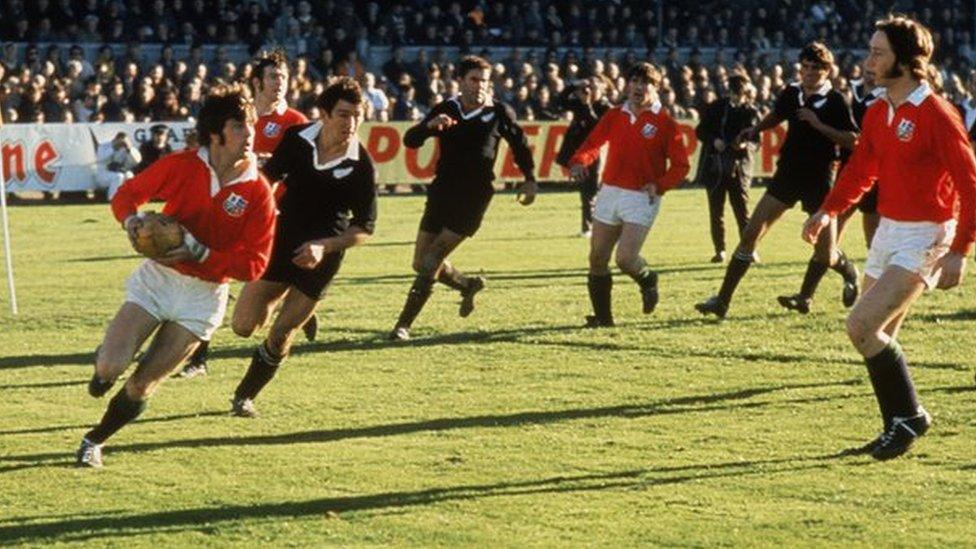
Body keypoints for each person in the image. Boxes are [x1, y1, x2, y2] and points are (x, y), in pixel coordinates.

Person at [76, 83, 277, 467]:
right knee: (110, 367)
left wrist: (202, 252)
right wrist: (133, 222)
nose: (250, 133)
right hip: (158, 280)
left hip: (203, 296)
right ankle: (102, 376)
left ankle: (94, 440)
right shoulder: (183, 165)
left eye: (251, 124)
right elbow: (126, 195)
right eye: (239, 125)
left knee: (141, 384)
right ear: (216, 132)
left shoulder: (258, 191)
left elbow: (256, 264)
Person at [803, 15, 976, 460]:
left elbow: (970, 183)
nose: (868, 60)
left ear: (905, 60)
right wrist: (827, 210)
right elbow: (862, 170)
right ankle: (896, 424)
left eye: (878, 53)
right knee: (876, 336)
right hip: (888, 230)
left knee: (861, 326)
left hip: (927, 234)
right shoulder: (879, 110)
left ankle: (911, 417)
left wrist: (960, 251)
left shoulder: (937, 113)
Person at [228, 77, 377, 417]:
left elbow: (365, 227)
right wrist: (247, 216)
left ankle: (245, 396)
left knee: (281, 334)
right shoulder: (297, 139)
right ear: (324, 114)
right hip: (280, 241)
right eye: (343, 114)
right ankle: (293, 301)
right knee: (243, 326)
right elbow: (268, 179)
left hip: (322, 256)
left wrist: (325, 246)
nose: (350, 123)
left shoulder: (361, 163)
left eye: (357, 115)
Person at [696, 42, 859, 319]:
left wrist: (818, 124)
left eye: (814, 68)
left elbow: (853, 140)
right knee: (751, 233)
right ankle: (722, 301)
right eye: (804, 67)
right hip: (788, 173)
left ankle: (847, 271)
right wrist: (755, 129)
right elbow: (778, 114)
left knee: (825, 252)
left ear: (827, 70)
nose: (808, 73)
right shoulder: (793, 92)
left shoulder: (835, 101)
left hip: (820, 179)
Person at [178, 49, 309, 379]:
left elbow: (306, 170)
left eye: (283, 77)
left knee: (255, 285)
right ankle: (198, 358)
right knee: (214, 273)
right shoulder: (242, 120)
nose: (279, 82)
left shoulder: (296, 122)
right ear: (256, 81)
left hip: (278, 217)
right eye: (272, 76)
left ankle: (291, 299)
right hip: (236, 209)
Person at [389, 55, 537, 341]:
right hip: (442, 190)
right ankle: (467, 284)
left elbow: (520, 145)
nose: (480, 86)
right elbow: (410, 141)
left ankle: (403, 325)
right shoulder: (448, 108)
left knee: (432, 259)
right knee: (420, 262)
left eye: (485, 80)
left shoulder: (499, 112)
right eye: (474, 79)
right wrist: (429, 126)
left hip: (474, 196)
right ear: (460, 81)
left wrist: (529, 179)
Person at [569, 62, 691, 327]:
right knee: (597, 258)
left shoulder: (665, 123)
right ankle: (603, 319)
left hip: (641, 197)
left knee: (625, 259)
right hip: (610, 191)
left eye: (645, 82)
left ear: (656, 88)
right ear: (628, 85)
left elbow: (682, 166)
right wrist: (579, 161)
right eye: (635, 81)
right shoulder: (615, 115)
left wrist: (659, 185)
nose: (639, 87)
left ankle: (648, 279)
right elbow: (593, 144)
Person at [775, 66, 886, 313]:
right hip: (848, 172)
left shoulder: (887, 96)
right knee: (828, 239)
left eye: (874, 69)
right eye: (867, 68)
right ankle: (806, 295)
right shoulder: (848, 93)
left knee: (875, 242)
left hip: (875, 174)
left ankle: (875, 297)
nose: (871, 72)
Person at [695, 74, 760, 263]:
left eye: (739, 94)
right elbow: (700, 131)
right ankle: (720, 249)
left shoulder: (751, 112)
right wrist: (714, 140)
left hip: (740, 169)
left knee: (742, 211)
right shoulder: (716, 108)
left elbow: (756, 141)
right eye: (733, 93)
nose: (736, 98)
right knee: (716, 211)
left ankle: (748, 249)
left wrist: (745, 146)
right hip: (716, 167)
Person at [555, 77, 611, 237]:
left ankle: (592, 227)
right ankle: (589, 227)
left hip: (595, 152)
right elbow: (560, 101)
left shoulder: (606, 107)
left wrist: (586, 105)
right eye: (587, 88)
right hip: (578, 152)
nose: (589, 91)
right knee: (586, 191)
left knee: (591, 191)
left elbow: (598, 128)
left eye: (593, 88)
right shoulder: (580, 103)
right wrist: (573, 85)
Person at [95, 132, 141, 201]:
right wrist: (114, 148)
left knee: (130, 175)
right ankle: (113, 198)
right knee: (118, 176)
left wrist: (129, 150)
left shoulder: (127, 148)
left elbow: (137, 160)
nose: (121, 144)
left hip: (120, 172)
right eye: (120, 141)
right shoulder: (104, 146)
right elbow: (101, 159)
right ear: (115, 139)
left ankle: (129, 199)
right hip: (103, 174)